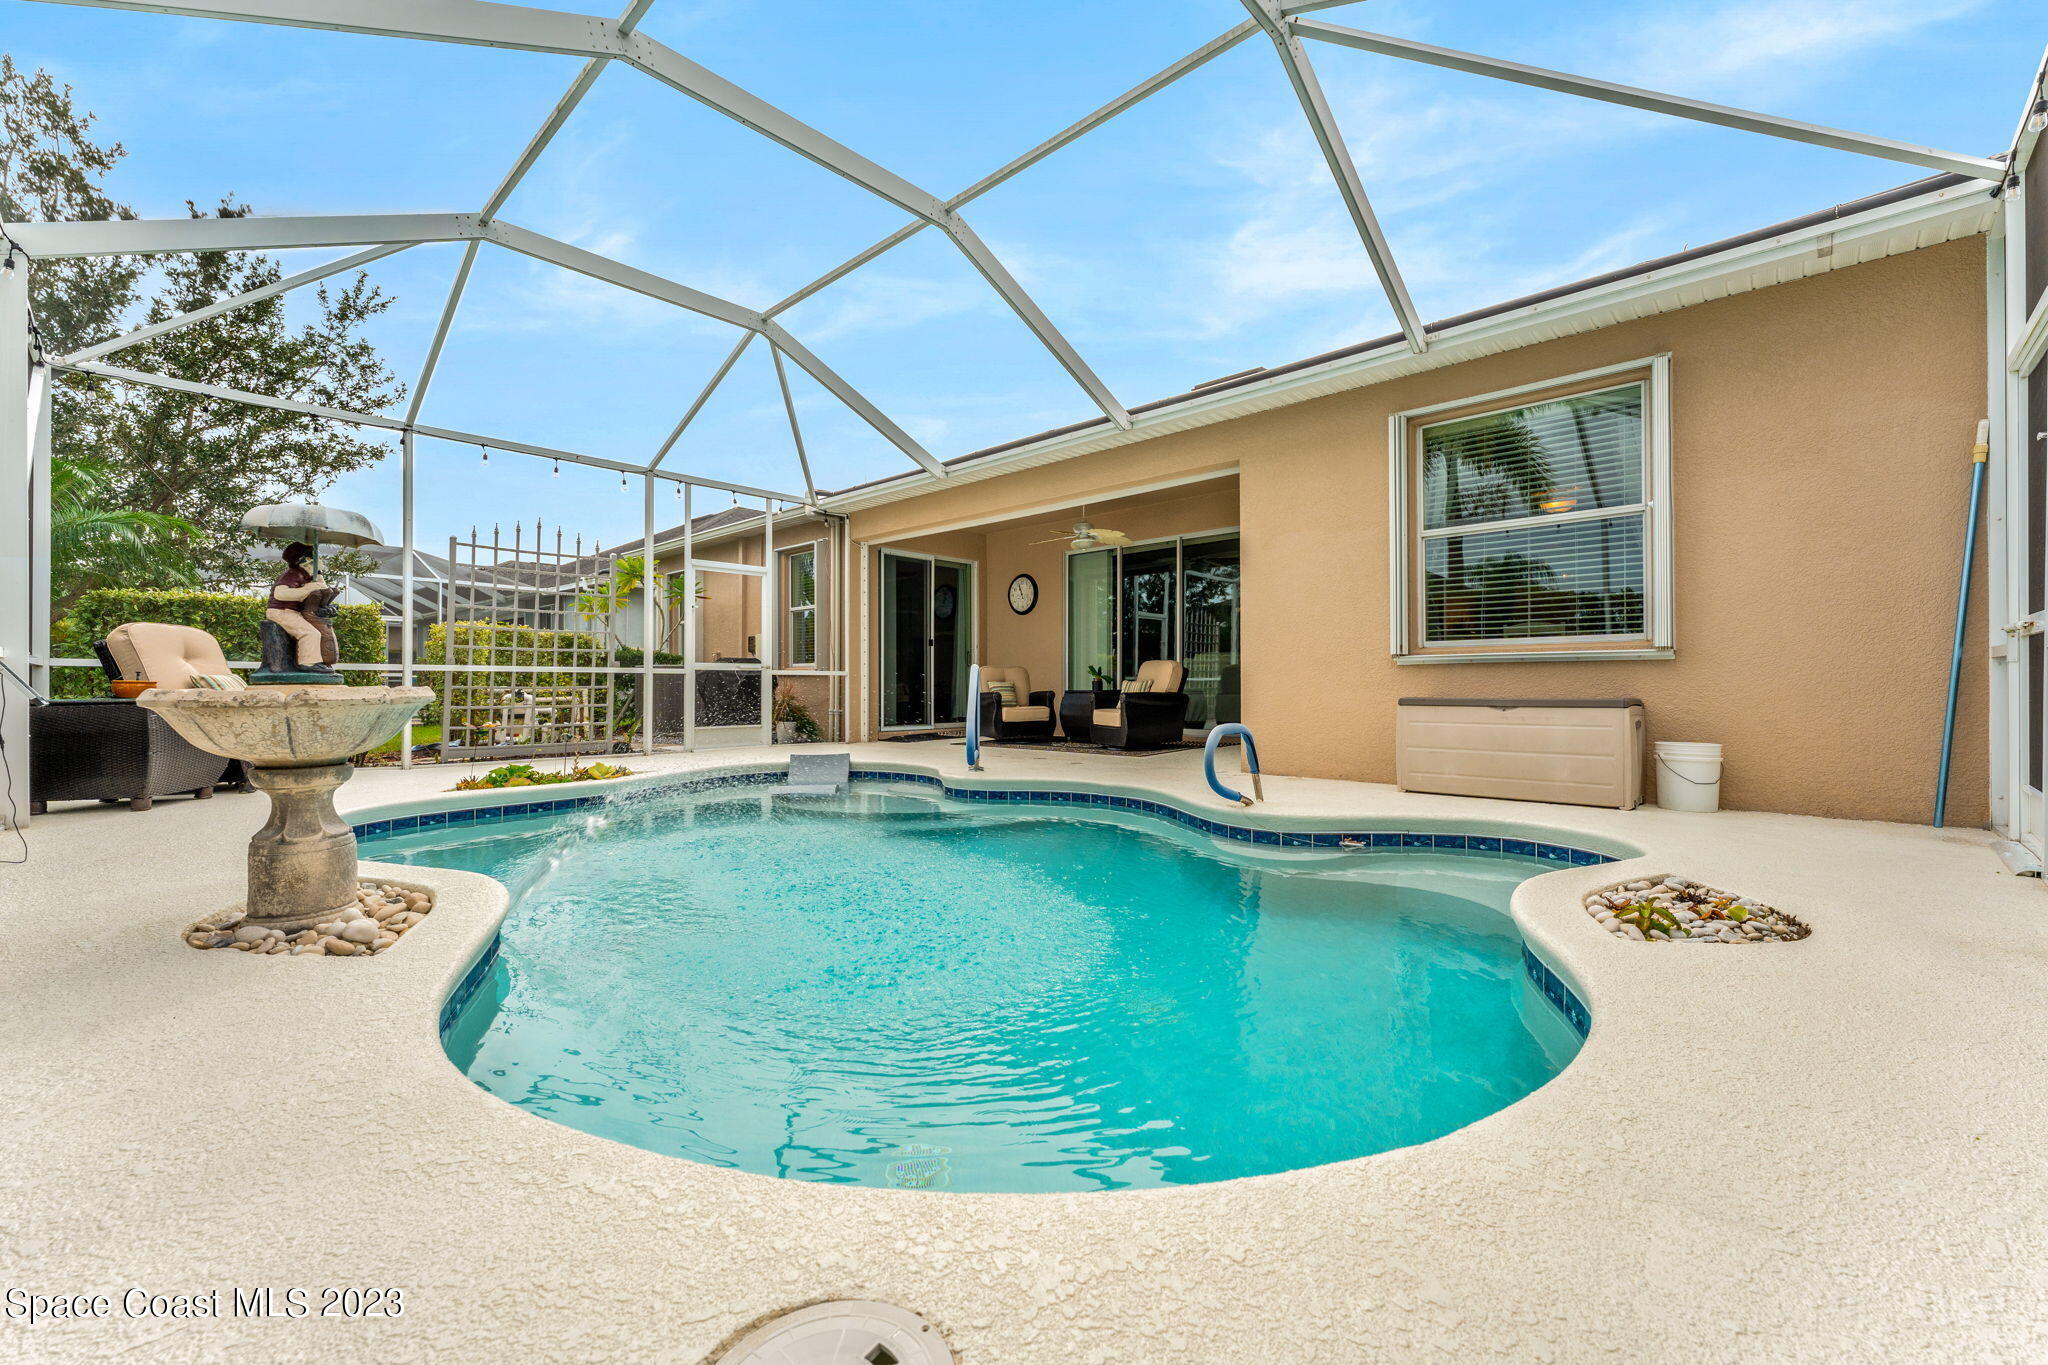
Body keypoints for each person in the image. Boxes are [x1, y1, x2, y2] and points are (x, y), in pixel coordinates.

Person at [265, 542, 339, 672]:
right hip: (281, 611)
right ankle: (308, 663)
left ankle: (315, 660)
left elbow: (322, 588)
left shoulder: (308, 575)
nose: (317, 560)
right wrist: (306, 590)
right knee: (309, 633)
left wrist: (318, 575)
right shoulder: (293, 574)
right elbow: (280, 594)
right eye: (313, 557)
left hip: (293, 612)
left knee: (319, 631)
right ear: (304, 560)